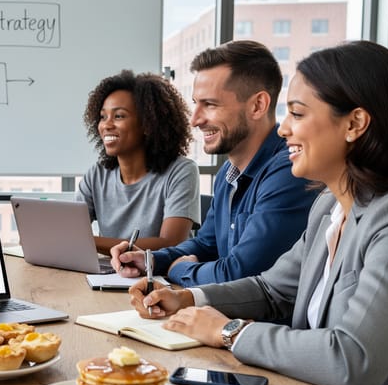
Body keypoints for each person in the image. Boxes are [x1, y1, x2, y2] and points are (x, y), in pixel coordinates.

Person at [130, 41, 388, 385]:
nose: (283, 129)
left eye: (297, 114)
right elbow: (271, 289)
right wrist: (186, 296)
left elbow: (353, 357)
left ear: (355, 124)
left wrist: (228, 331)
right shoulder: (329, 206)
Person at [113, 40, 318, 287]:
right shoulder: (228, 173)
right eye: (195, 103)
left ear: (257, 105)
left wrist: (181, 270)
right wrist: (150, 261)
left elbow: (239, 274)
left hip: (255, 323)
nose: (195, 120)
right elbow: (206, 244)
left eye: (209, 104)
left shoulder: (289, 171)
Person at [77, 70, 199, 255]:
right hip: (109, 276)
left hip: (162, 279)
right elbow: (71, 232)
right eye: (103, 117)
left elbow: (171, 243)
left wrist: (86, 241)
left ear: (147, 124)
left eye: (119, 116)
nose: (106, 125)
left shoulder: (181, 171)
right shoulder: (97, 174)